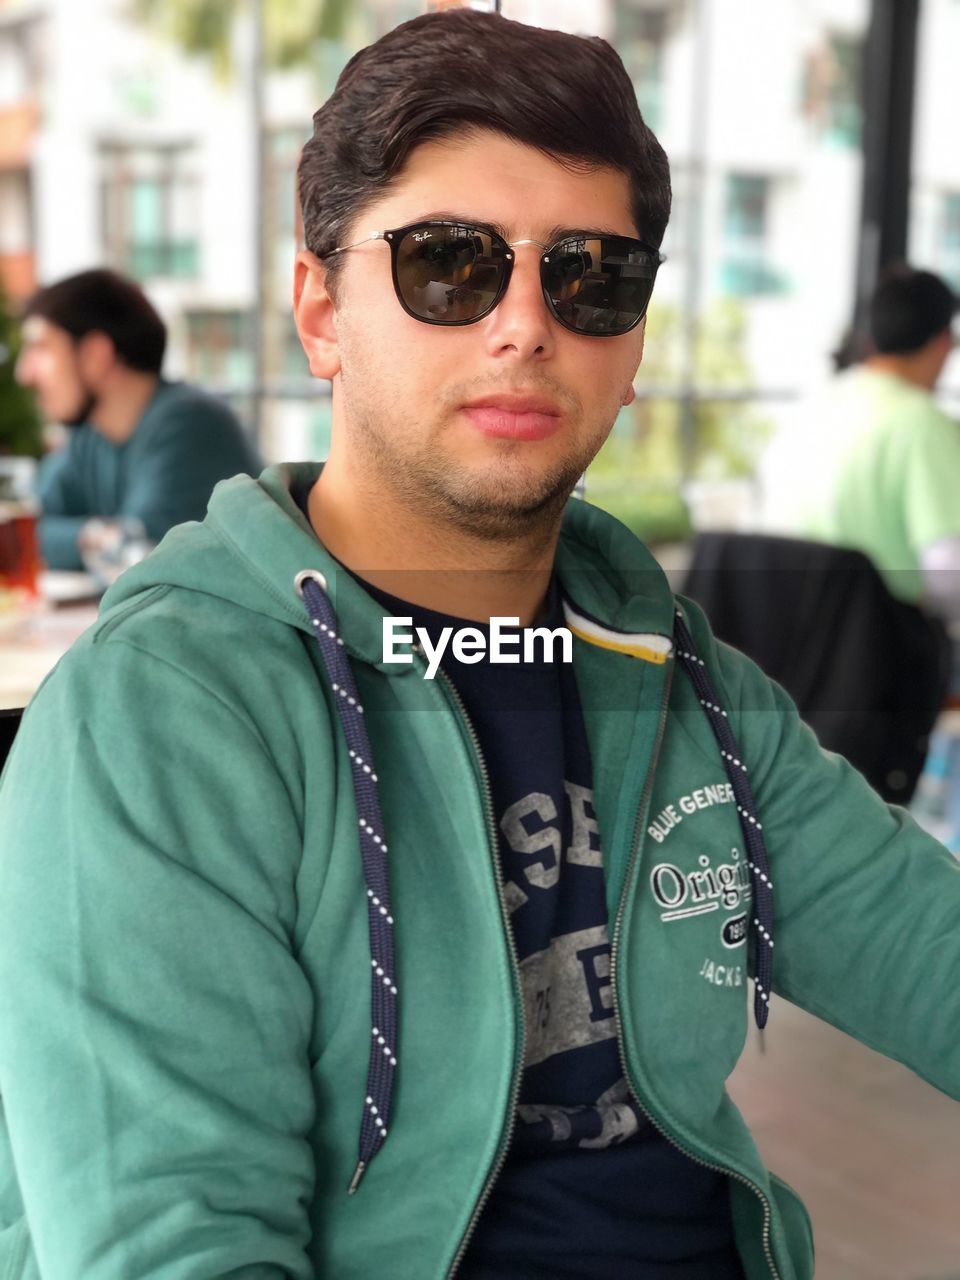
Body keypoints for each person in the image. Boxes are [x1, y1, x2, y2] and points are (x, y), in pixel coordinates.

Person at [1, 12, 959, 1280]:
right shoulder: (166, 716)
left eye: (591, 274)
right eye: (449, 266)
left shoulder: (678, 684)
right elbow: (175, 1247)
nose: (524, 324)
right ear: (321, 310)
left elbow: (927, 948)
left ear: (632, 355)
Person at [15, 268, 262, 571]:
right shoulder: (90, 436)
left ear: (95, 355)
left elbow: (142, 560)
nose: (24, 373)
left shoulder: (190, 424)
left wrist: (103, 541)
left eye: (41, 348)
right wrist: (93, 536)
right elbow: (25, 532)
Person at [763, 264, 960, 620]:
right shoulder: (924, 425)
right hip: (878, 653)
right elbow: (951, 580)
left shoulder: (809, 409)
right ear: (944, 344)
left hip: (784, 644)